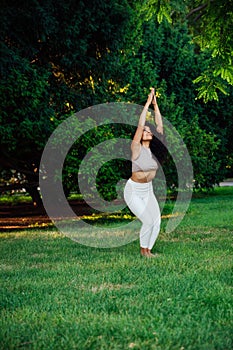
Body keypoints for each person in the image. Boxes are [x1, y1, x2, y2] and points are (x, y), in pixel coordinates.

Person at [124, 88, 164, 258]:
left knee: (157, 221)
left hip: (148, 190)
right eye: (146, 131)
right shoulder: (136, 148)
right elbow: (140, 125)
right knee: (147, 221)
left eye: (149, 131)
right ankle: (143, 252)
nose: (147, 132)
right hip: (133, 190)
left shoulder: (154, 152)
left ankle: (148, 250)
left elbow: (160, 126)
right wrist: (147, 103)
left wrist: (156, 106)